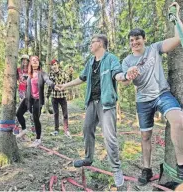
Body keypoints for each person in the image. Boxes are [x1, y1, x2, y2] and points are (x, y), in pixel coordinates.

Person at [122, 2, 183, 185]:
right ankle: (146, 169)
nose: (134, 43)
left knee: (179, 121)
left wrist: (175, 16)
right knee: (145, 136)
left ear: (144, 39)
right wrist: (128, 75)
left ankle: (182, 167)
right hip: (143, 101)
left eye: (137, 39)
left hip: (162, 94)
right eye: (132, 41)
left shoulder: (154, 49)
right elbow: (125, 81)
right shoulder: (127, 60)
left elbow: (179, 38)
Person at [56, 34, 135, 187]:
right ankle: (88, 158)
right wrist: (64, 86)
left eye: (92, 42)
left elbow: (117, 74)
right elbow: (82, 78)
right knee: (86, 129)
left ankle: (117, 170)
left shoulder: (111, 58)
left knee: (109, 137)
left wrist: (125, 76)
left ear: (100, 43)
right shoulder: (91, 61)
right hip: (92, 102)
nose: (90, 45)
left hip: (106, 103)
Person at [15, 56, 57, 147]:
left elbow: (47, 80)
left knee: (35, 118)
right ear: (30, 63)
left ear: (39, 63)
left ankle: (38, 139)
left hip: (38, 100)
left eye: (36, 60)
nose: (34, 61)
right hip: (28, 98)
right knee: (18, 113)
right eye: (32, 60)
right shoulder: (29, 74)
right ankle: (24, 129)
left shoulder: (42, 73)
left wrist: (54, 86)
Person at [46, 59, 71, 137]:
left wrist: (70, 74)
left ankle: (66, 130)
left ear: (58, 65)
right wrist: (47, 96)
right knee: (56, 114)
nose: (54, 66)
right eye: (53, 65)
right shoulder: (50, 75)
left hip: (62, 96)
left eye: (55, 64)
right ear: (51, 66)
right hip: (54, 97)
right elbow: (49, 86)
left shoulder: (63, 73)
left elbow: (69, 81)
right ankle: (56, 130)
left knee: (65, 114)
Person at [13, 54, 35, 135]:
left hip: (29, 92)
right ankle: (16, 126)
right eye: (23, 60)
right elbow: (15, 79)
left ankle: (33, 126)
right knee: (19, 109)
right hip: (21, 92)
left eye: (26, 60)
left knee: (30, 110)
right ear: (21, 61)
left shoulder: (31, 70)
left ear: (28, 62)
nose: (25, 61)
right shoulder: (18, 70)